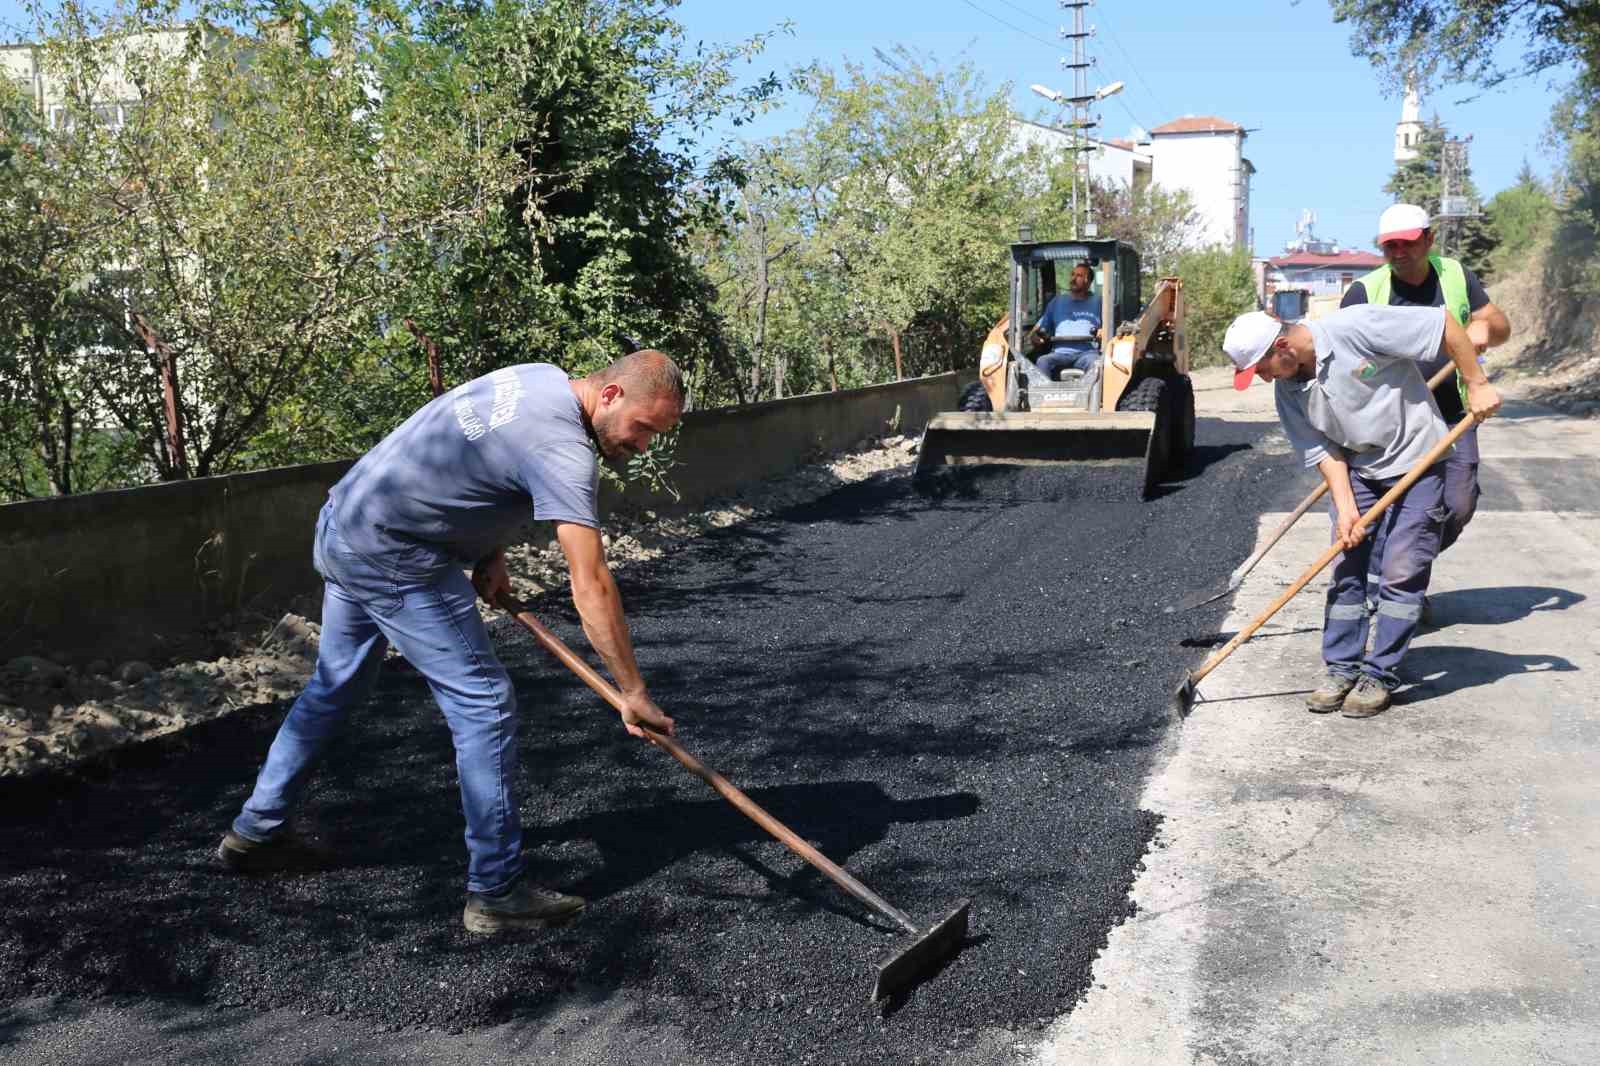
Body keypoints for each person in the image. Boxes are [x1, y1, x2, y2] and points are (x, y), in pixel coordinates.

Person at [217, 350, 684, 935]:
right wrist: (632, 690)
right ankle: (496, 891)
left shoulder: (535, 381)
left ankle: (256, 830)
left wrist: (490, 553)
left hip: (346, 522)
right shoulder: (564, 447)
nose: (642, 447)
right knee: (485, 704)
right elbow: (590, 584)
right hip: (396, 555)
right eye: (643, 429)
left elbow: (479, 462)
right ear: (611, 395)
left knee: (337, 685)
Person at [1222, 304, 1501, 718]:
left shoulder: (1354, 329)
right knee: (1347, 565)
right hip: (1359, 468)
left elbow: (1442, 324)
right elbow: (1323, 451)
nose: (1263, 379)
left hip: (1420, 460)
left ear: (1283, 346)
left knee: (1402, 569)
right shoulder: (1289, 390)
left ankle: (1380, 673)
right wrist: (1346, 508)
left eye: (1262, 369)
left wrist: (1476, 383)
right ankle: (1341, 668)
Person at [1340, 203, 1511, 556]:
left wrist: (1485, 328)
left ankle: (1401, 562)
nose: (1399, 253)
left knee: (1459, 504)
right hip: (1393, 426)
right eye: (1390, 246)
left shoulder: (1456, 276)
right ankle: (1396, 580)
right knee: (1401, 508)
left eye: (1408, 243)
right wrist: (1369, 371)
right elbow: (1345, 364)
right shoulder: (1364, 292)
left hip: (1452, 417)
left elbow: (1500, 327)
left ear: (1429, 239)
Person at [1027, 261, 1102, 378]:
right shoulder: (1057, 302)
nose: (1073, 278)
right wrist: (1034, 336)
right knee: (1043, 361)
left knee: (1097, 363)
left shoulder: (1099, 302)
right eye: (1073, 274)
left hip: (1087, 353)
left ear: (1088, 281)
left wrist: (1104, 331)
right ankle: (1045, 395)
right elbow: (1039, 329)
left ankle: (1093, 396)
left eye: (1079, 276)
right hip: (1060, 353)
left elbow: (1110, 327)